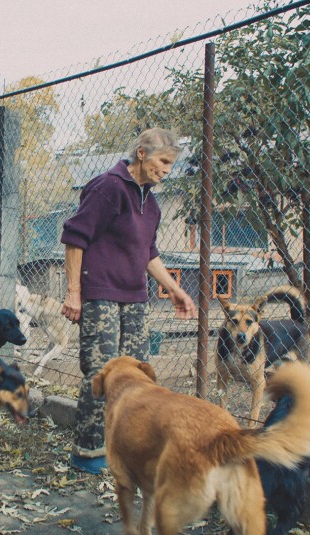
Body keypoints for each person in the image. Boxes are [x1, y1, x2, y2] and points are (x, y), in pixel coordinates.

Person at [60, 127, 196, 474]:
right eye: (163, 161)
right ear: (141, 153)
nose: (166, 170)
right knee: (102, 374)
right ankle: (88, 456)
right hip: (101, 294)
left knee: (138, 376)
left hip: (135, 298)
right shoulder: (109, 187)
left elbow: (148, 253)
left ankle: (126, 450)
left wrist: (174, 289)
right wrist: (74, 292)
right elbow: (75, 237)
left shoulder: (150, 202)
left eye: (170, 164)